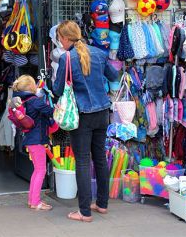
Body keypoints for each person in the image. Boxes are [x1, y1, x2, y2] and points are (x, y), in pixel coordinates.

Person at [53, 20, 118, 222]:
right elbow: (114, 74)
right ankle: (102, 204)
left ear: (64, 38)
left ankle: (84, 212)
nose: (60, 43)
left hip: (81, 115)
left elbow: (57, 89)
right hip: (102, 112)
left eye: (59, 39)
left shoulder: (67, 58)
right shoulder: (98, 53)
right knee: (99, 157)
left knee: (82, 160)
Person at [11, 75, 55, 211]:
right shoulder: (35, 101)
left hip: (31, 139)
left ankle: (32, 200)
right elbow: (51, 111)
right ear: (31, 87)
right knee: (41, 170)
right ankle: (36, 202)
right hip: (37, 140)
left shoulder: (24, 101)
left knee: (37, 170)